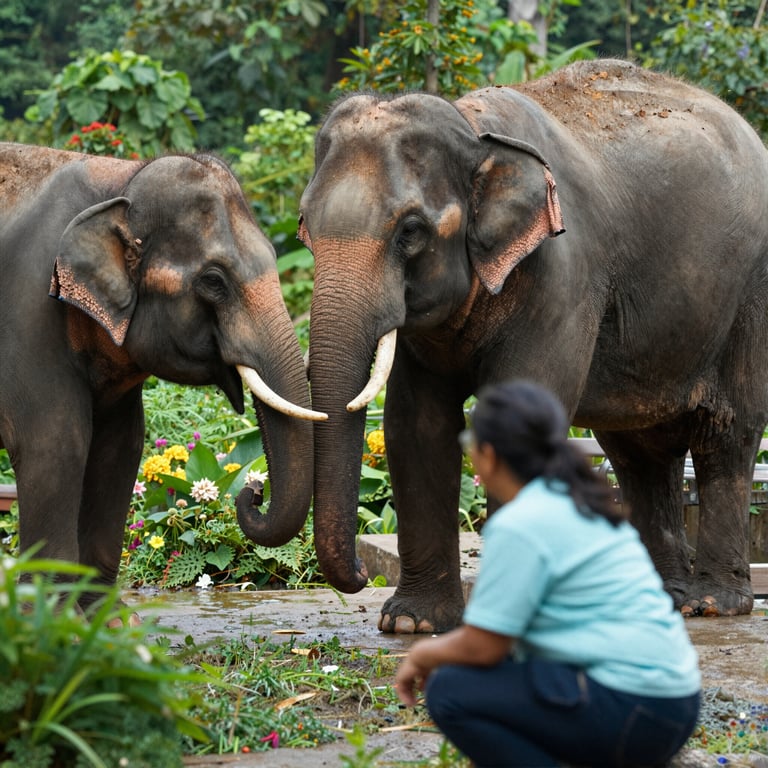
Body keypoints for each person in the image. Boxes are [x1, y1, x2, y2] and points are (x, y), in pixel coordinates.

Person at [395, 379, 701, 768]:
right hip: (677, 702)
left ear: (487, 455)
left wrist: (423, 653)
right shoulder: (585, 505)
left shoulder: (522, 522)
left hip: (632, 708)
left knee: (450, 690)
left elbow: (484, 645)